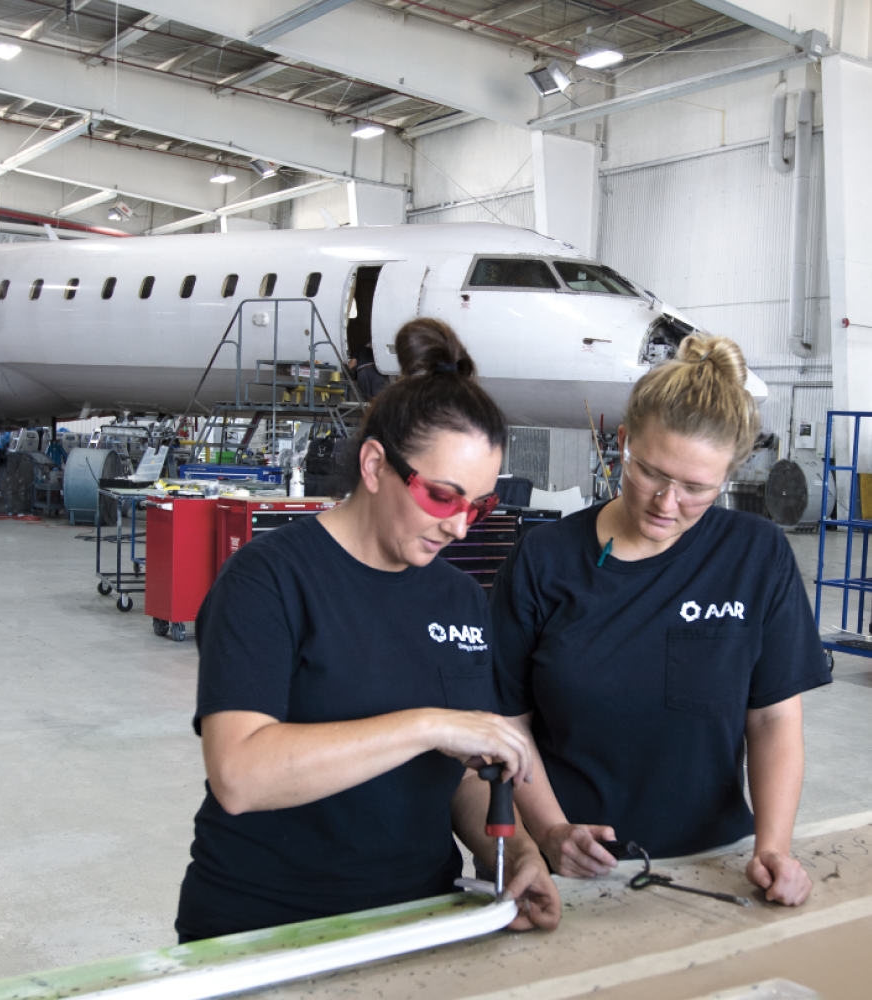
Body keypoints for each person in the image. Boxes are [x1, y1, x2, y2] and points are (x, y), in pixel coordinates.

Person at [176, 318, 560, 942]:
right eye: (443, 497)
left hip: (417, 919)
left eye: (480, 506)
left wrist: (514, 853)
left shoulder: (460, 599)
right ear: (376, 464)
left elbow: (462, 771)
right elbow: (241, 776)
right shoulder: (268, 581)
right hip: (263, 927)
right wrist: (428, 724)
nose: (461, 527)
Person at [489, 334, 831, 907]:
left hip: (716, 864)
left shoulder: (756, 556)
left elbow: (772, 719)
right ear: (622, 443)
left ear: (729, 474)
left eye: (697, 488)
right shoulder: (544, 560)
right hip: (571, 869)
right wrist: (550, 831)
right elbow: (507, 721)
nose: (666, 504)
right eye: (650, 473)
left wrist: (773, 846)